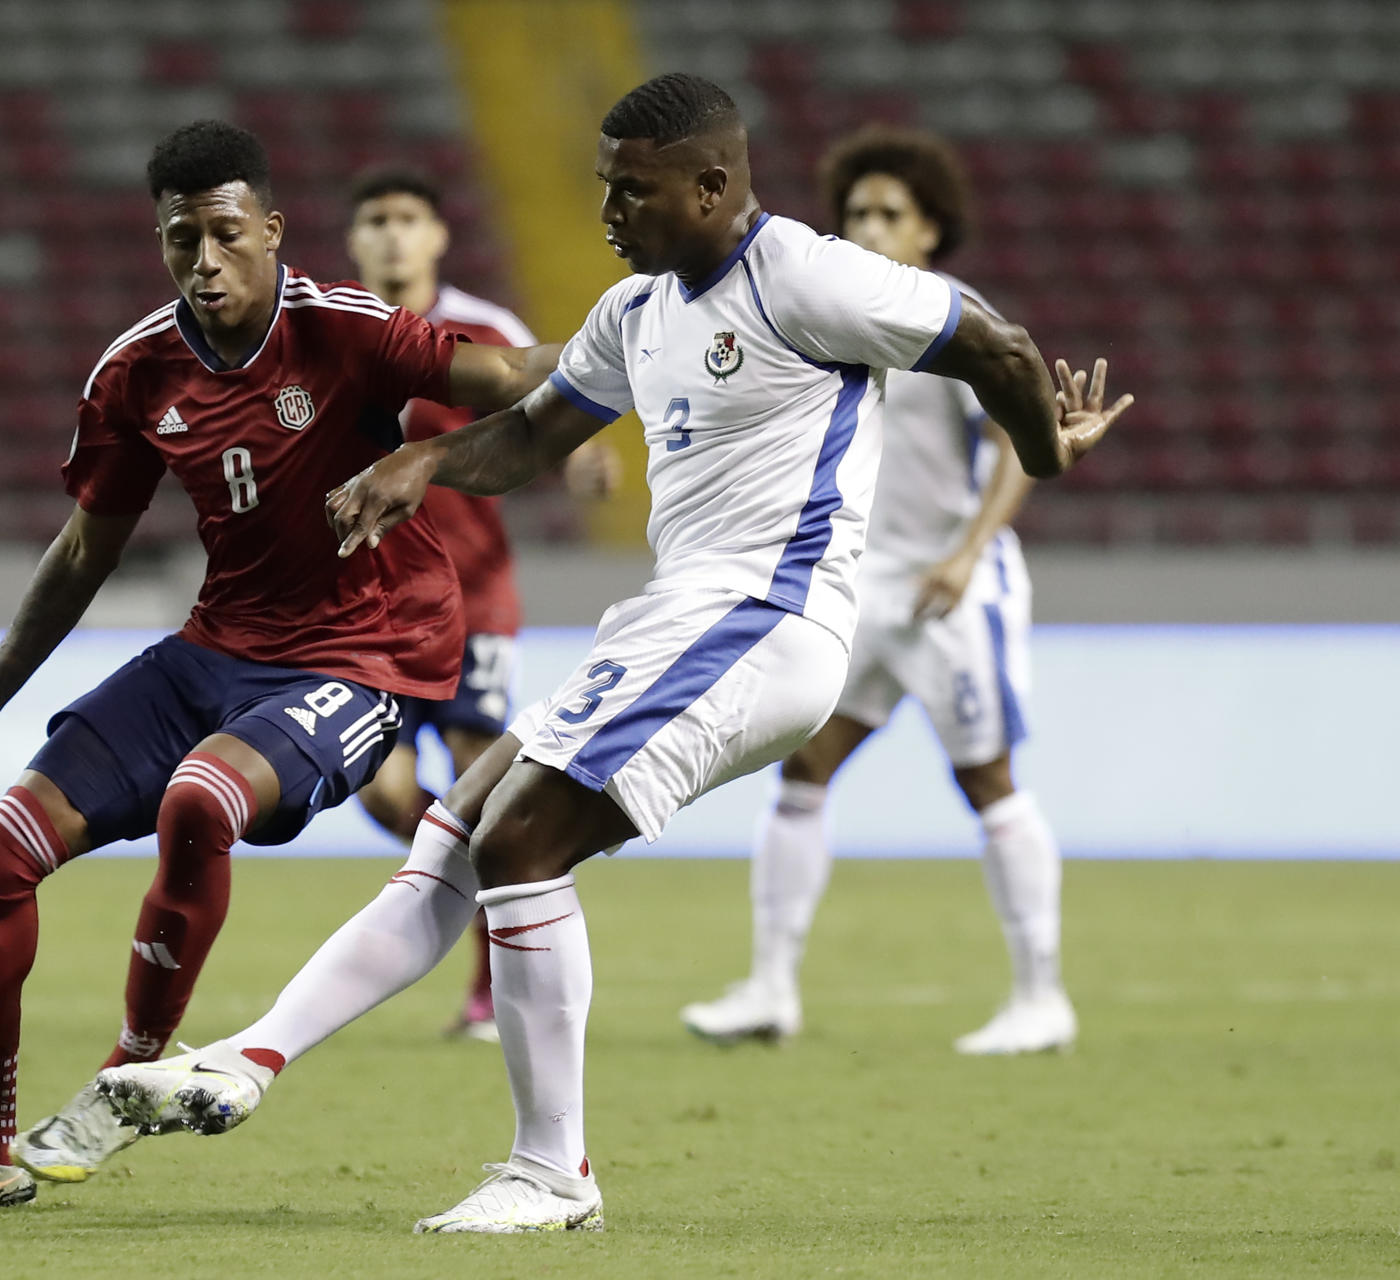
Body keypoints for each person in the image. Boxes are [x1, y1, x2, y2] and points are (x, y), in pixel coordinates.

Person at [96, 74, 1129, 1233]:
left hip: (770, 616)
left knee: (526, 840)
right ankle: (251, 1056)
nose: (609, 214)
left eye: (632, 192)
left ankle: (552, 1171)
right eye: (603, 188)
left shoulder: (805, 274)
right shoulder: (638, 312)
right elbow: (533, 433)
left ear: (714, 183)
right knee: (459, 828)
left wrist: (1043, 448)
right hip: (673, 617)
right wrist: (424, 463)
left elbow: (988, 339)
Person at [0, 120, 561, 1208]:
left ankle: (127, 1075)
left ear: (272, 232)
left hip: (371, 649)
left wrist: (642, 341)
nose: (204, 260)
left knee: (200, 798)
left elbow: (510, 373)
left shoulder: (343, 328)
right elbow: (88, 545)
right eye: (181, 239)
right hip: (218, 649)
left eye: (227, 234)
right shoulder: (136, 372)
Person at [681, 126, 1074, 1055]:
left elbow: (1024, 441)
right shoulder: (833, 311)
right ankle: (771, 988)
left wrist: (971, 552)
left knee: (988, 781)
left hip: (951, 586)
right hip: (861, 589)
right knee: (804, 770)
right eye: (855, 210)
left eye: (888, 212)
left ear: (931, 230)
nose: (865, 226)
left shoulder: (953, 314)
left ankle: (1041, 996)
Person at [344, 169, 619, 1041]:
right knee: (384, 793)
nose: (392, 236)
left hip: (471, 605)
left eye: (408, 220)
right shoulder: (330, 329)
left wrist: (579, 468)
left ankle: (487, 990)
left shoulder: (486, 331)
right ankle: (464, 888)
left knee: (480, 793)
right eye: (376, 222)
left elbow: (555, 410)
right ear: (355, 241)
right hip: (367, 612)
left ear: (436, 238)